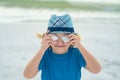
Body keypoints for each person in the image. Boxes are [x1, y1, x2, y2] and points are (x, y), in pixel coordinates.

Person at [23, 14, 101, 80]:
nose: (60, 42)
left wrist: (79, 46)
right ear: (47, 38)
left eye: (65, 37)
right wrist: (42, 48)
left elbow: (96, 70)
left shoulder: (76, 53)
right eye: (55, 37)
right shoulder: (44, 55)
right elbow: (27, 75)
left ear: (73, 38)